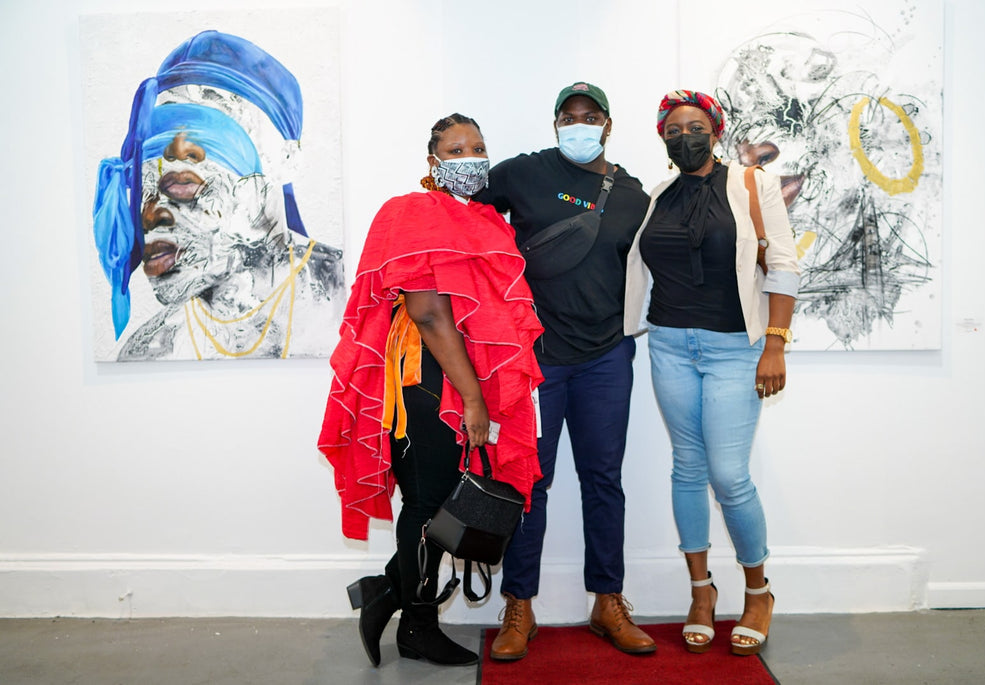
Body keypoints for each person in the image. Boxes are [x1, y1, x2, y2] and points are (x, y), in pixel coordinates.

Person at [318, 114, 545, 667]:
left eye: (479, 147)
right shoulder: (411, 212)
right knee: (427, 499)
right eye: (457, 148)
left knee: (446, 497)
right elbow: (428, 314)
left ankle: (390, 592)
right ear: (433, 161)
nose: (471, 157)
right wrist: (472, 398)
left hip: (464, 370)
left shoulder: (487, 220)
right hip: (425, 373)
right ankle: (416, 625)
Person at [475, 82, 655, 660]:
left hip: (607, 357)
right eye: (568, 117)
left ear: (608, 123)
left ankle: (608, 601)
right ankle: (519, 606)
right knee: (529, 482)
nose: (579, 125)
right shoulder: (523, 173)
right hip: (539, 360)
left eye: (590, 116)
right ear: (556, 124)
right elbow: (462, 216)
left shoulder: (631, 194)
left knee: (604, 480)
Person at [623, 90, 800, 657]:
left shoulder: (752, 183)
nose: (684, 136)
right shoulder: (660, 194)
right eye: (673, 130)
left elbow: (784, 265)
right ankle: (701, 592)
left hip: (734, 350)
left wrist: (774, 344)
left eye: (695, 126)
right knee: (686, 467)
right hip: (671, 345)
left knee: (729, 475)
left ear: (715, 130)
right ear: (663, 138)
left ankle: (758, 591)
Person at [92, 30, 344, 360]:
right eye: (142, 192)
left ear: (286, 160)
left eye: (182, 185)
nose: (149, 217)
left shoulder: (349, 291)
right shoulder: (153, 351)